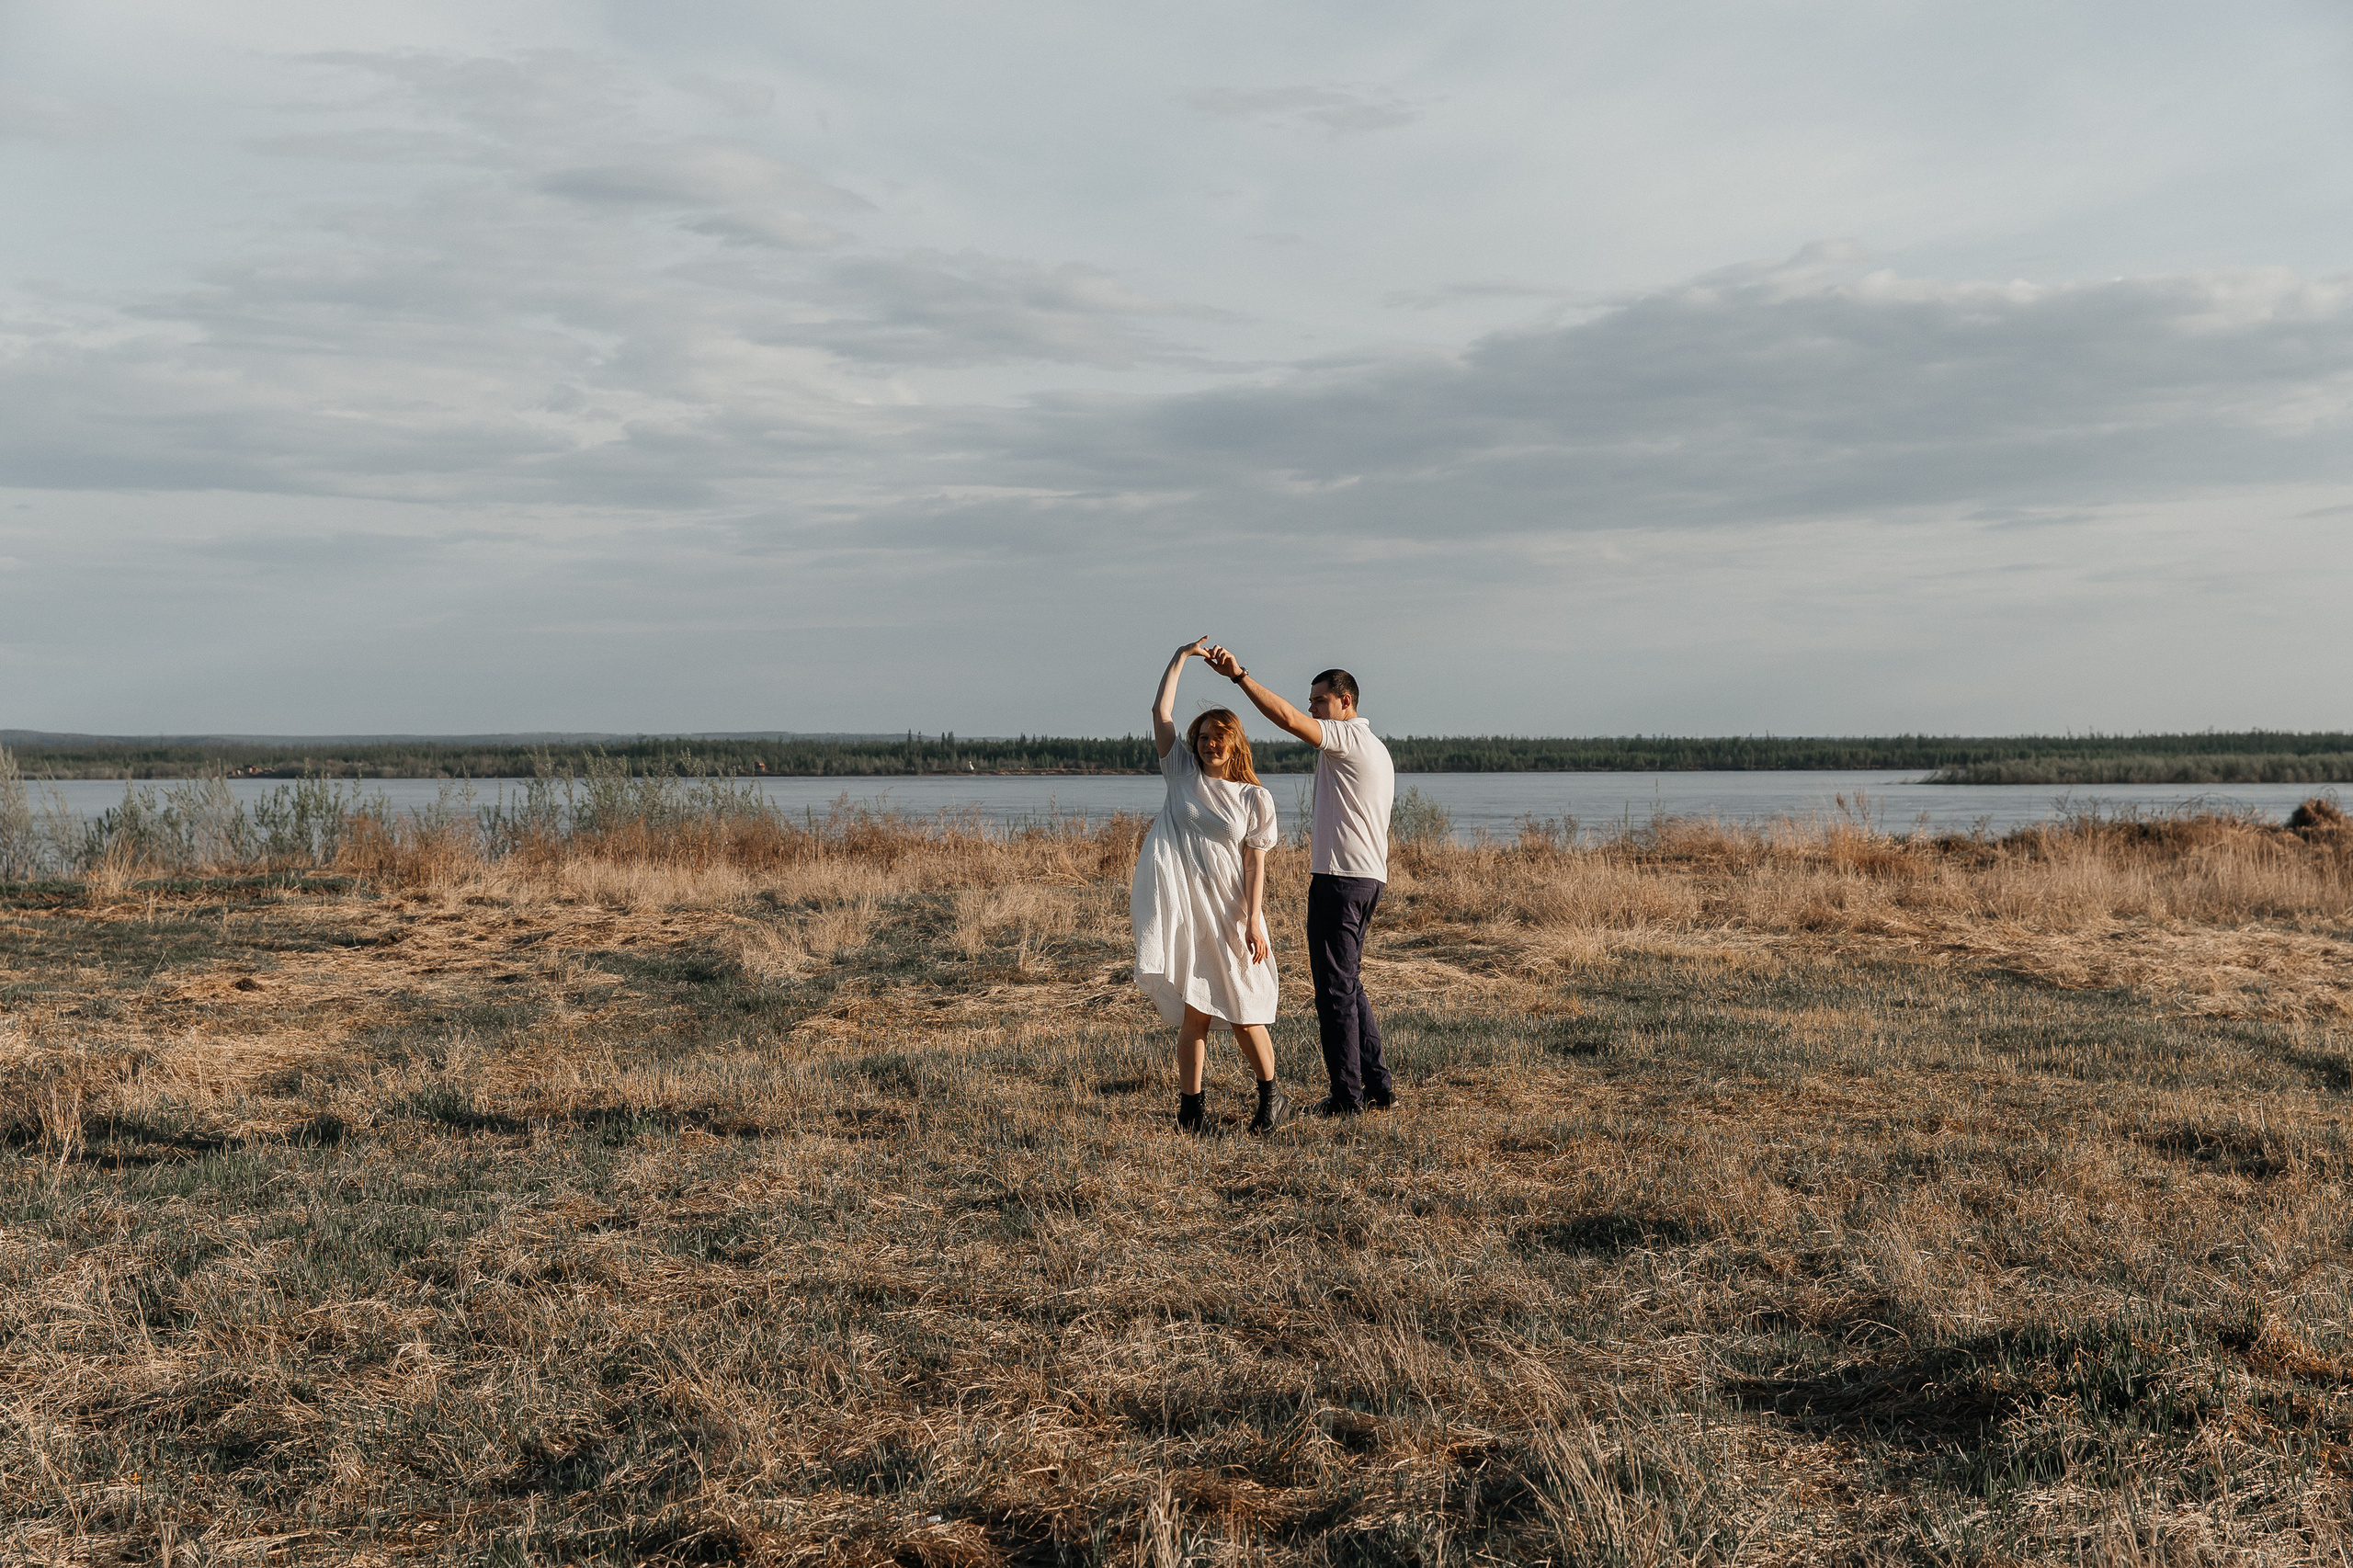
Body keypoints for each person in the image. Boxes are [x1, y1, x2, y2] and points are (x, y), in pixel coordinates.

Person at [1204, 646, 1395, 1116]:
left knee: (1334, 992)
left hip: (1340, 881)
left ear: (1345, 702)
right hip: (1368, 879)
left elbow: (1288, 719)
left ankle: (1348, 1099)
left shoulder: (1347, 739)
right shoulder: (1377, 748)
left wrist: (1240, 677)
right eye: (1311, 701)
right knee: (1349, 984)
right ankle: (1378, 1086)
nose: (1312, 709)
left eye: (1320, 701)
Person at [1131, 637, 1290, 1135]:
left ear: (1235, 743)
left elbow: (1255, 865)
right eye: (1202, 737)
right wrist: (1180, 657)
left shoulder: (1253, 798)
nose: (1208, 744)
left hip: (1231, 912)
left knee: (1245, 1011)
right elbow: (1160, 711)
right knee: (1195, 1016)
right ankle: (1190, 1113)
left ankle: (1273, 1099)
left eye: (1218, 737)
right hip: (1188, 911)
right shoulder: (1180, 774)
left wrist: (1254, 920)